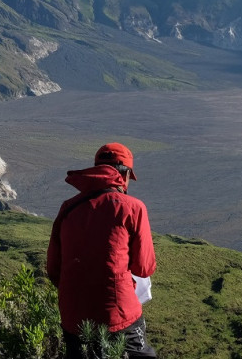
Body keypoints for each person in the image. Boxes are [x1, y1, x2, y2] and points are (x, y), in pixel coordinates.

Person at [47, 142, 157, 358]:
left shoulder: (67, 207)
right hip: (119, 315)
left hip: (73, 317)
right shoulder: (133, 207)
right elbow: (144, 268)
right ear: (123, 175)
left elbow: (53, 270)